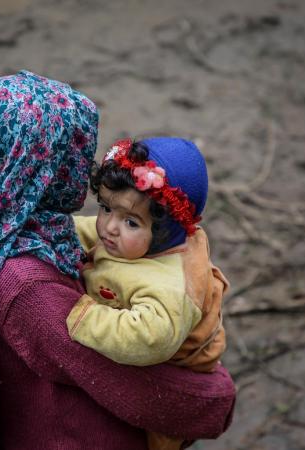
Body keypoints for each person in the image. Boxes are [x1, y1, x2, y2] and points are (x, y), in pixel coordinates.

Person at [0, 70, 235, 450]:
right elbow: (132, 387)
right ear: (39, 169)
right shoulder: (28, 286)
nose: (81, 168)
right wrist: (218, 397)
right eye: (73, 152)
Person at [67, 137, 230, 450]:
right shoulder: (129, 238)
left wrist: (83, 316)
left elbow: (147, 339)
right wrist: (51, 230)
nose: (109, 227)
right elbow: (87, 231)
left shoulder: (170, 286)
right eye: (105, 207)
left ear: (166, 231)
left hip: (168, 383)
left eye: (129, 221)